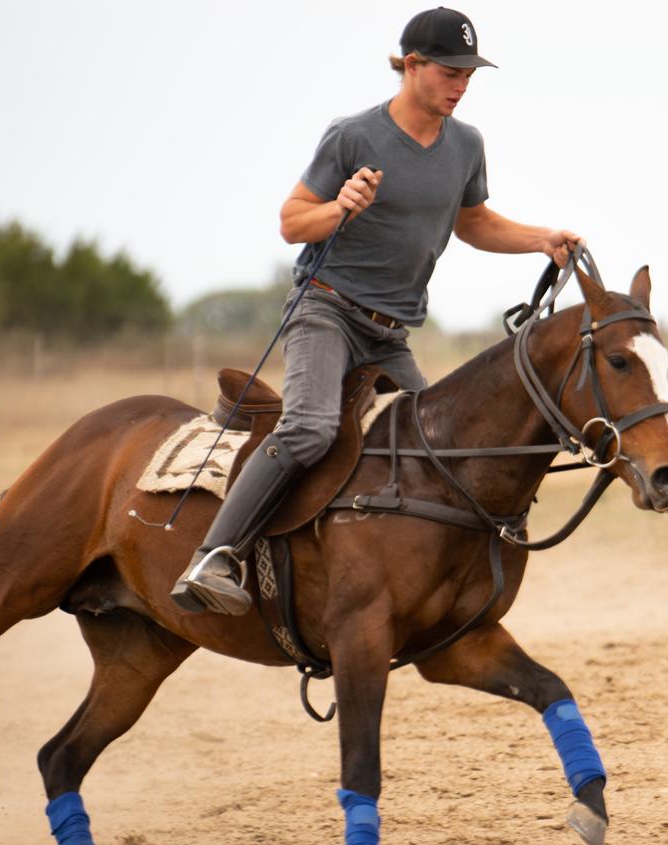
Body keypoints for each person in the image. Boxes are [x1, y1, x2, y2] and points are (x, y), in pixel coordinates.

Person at [171, 7, 580, 615]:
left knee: (437, 442)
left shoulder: (466, 145)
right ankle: (214, 556)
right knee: (309, 428)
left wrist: (541, 238)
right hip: (325, 310)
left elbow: (473, 223)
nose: (461, 84)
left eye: (470, 73)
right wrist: (340, 207)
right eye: (450, 71)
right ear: (411, 66)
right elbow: (291, 223)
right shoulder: (353, 136)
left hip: (391, 334)